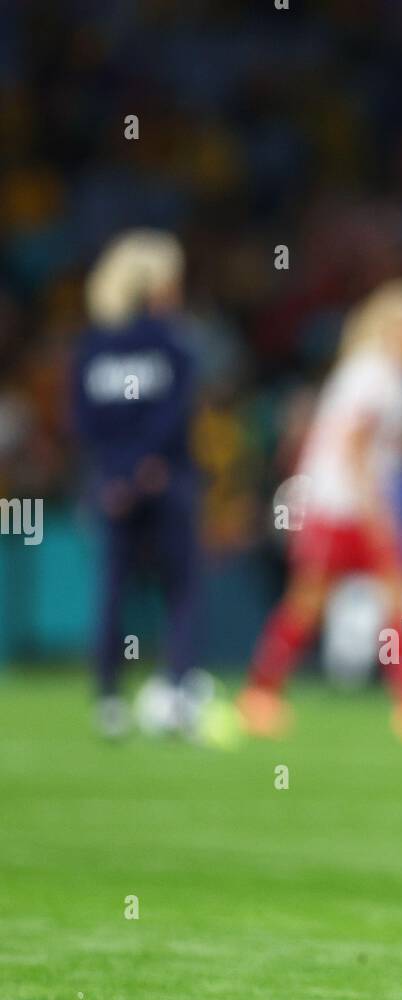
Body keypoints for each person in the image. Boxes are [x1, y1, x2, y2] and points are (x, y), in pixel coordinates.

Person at [238, 279, 402, 741]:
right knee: (374, 600)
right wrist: (379, 516)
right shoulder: (380, 375)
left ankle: (261, 693)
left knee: (328, 601)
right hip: (347, 506)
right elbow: (355, 450)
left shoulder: (371, 370)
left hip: (333, 503)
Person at [73, 229, 200, 737]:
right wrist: (145, 466)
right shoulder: (173, 343)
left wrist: (116, 474)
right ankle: (176, 691)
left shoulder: (92, 346)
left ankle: (109, 701)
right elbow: (174, 413)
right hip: (165, 479)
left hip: (112, 486)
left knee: (112, 589)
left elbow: (84, 421)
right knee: (183, 589)